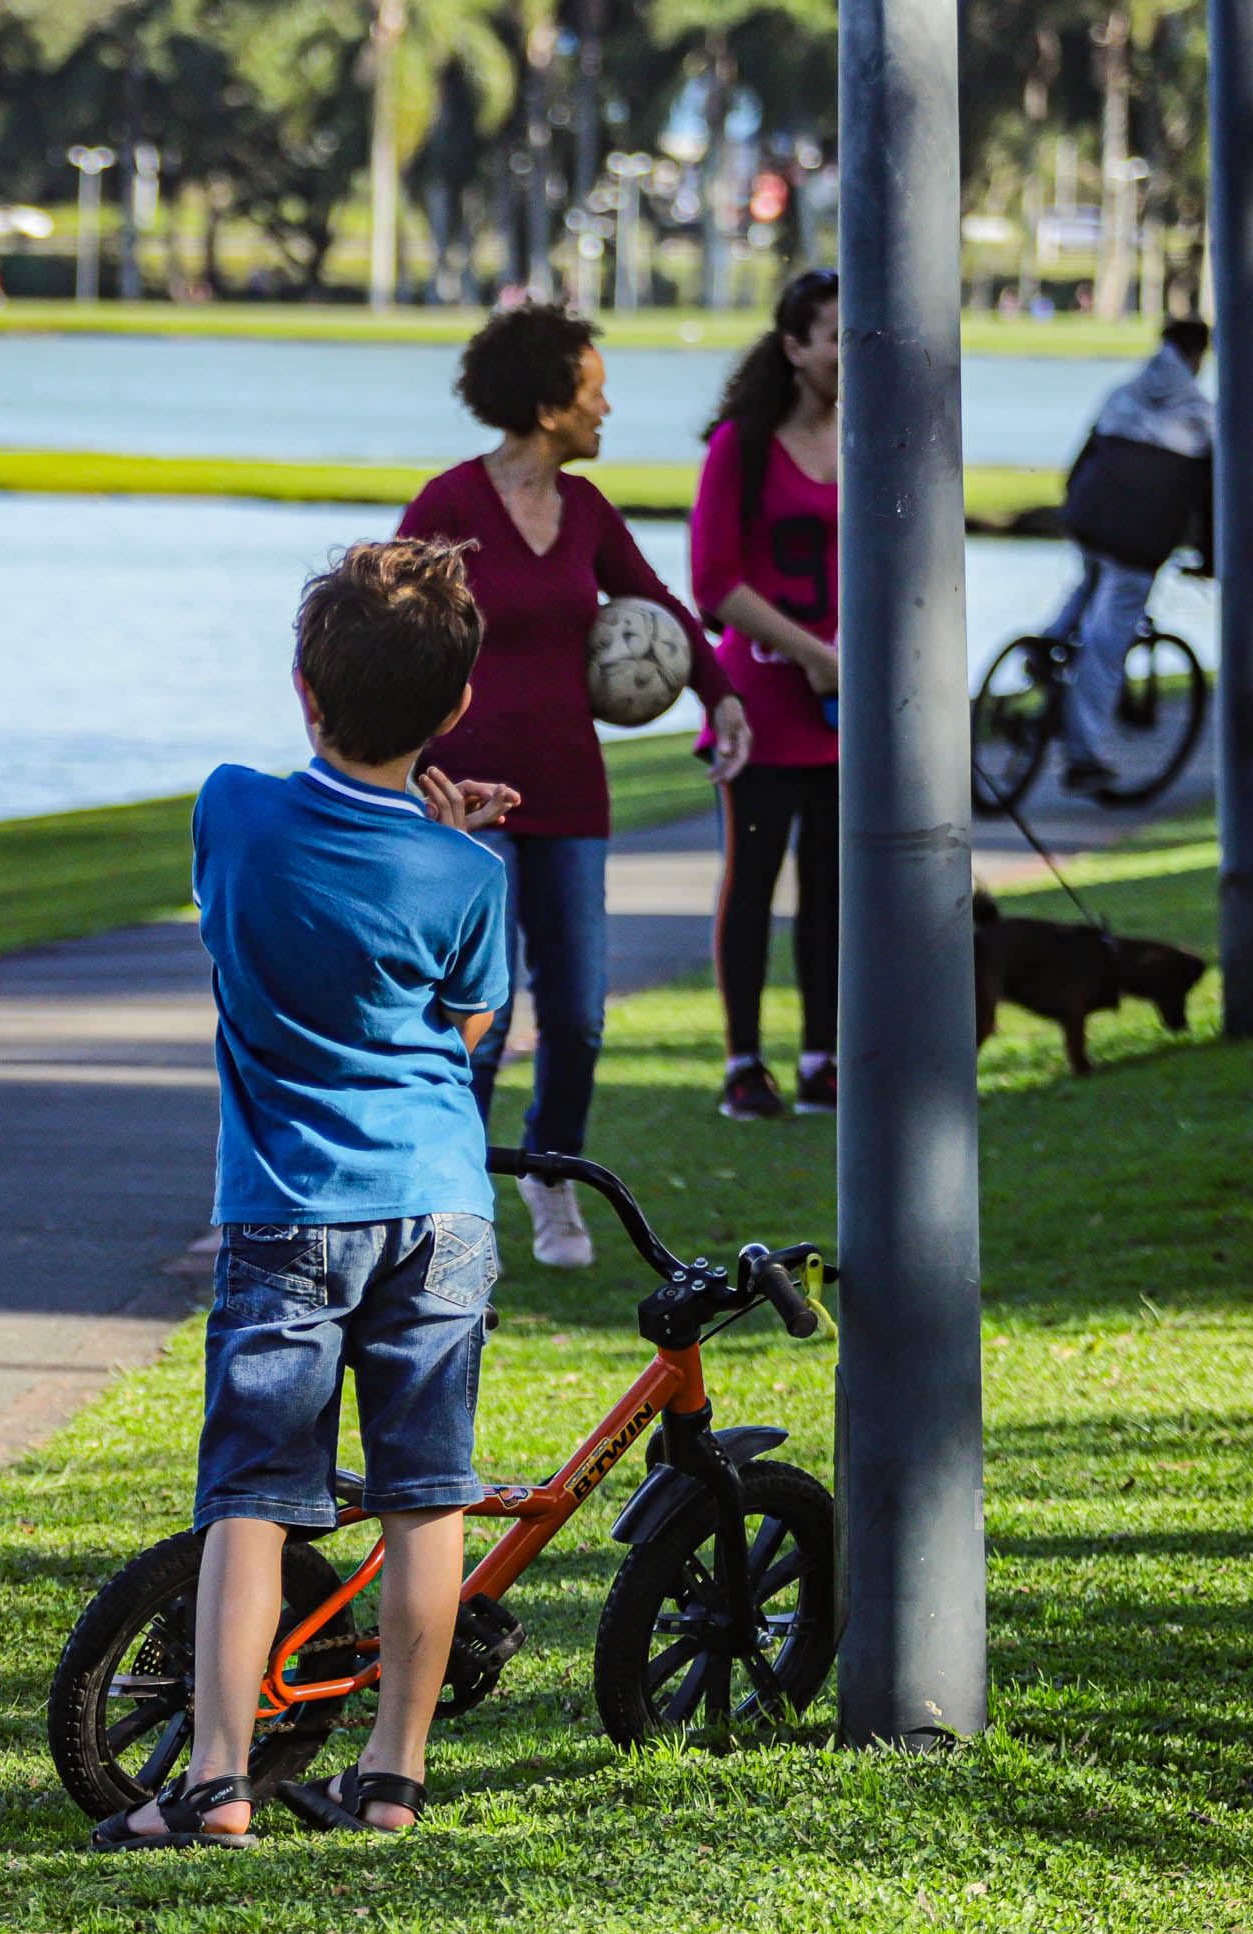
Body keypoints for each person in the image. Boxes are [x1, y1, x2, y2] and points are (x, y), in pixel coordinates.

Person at [92, 540, 514, 1851]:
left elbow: (262, 897)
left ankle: (217, 1783)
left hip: (291, 1213)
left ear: (303, 686)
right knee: (422, 1495)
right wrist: (440, 849)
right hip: (441, 1208)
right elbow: (472, 1029)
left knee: (256, 1496)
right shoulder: (473, 877)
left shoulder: (235, 808)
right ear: (454, 712)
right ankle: (393, 1777)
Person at [396, 302, 751, 1269]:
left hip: (570, 794)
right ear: (548, 403)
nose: (606, 406)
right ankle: (452, 1200)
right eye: (593, 389)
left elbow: (662, 607)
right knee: (484, 1015)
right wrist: (395, 763)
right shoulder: (452, 506)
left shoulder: (588, 512)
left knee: (581, 1012)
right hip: (461, 804)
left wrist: (719, 697)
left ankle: (553, 1177)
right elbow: (388, 624)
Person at [691, 268, 842, 1121]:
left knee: (831, 887)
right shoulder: (741, 446)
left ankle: (822, 1058)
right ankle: (743, 1064)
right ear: (793, 346)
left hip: (843, 709)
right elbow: (714, 582)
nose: (846, 354)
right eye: (832, 337)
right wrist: (812, 655)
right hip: (762, 706)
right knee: (753, 881)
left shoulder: (871, 437)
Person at [1049, 318, 1214, 797]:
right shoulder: (1202, 415)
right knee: (1106, 647)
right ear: (1198, 358)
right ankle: (1085, 757)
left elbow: (1083, 458)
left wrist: (1073, 509)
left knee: (1090, 579)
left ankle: (1047, 646)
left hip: (1089, 517)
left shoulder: (1121, 393)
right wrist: (1209, 558)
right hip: (1140, 540)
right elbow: (1211, 502)